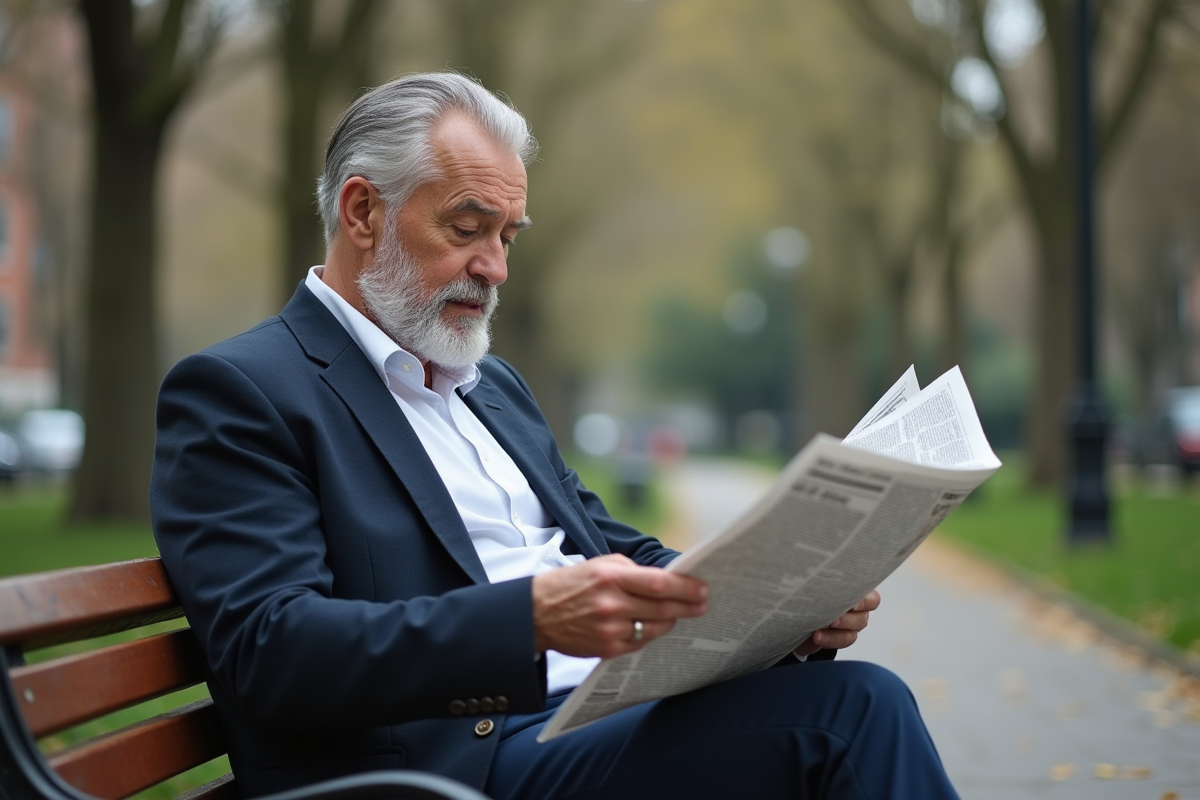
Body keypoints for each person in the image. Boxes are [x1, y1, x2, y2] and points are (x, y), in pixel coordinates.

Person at [151, 72, 960, 800]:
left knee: (846, 698)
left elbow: (610, 549)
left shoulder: (490, 387)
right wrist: (527, 621)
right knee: (853, 713)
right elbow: (270, 650)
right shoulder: (244, 391)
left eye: (507, 236)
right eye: (467, 228)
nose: (495, 267)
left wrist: (782, 605)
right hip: (449, 767)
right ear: (364, 212)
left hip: (593, 715)